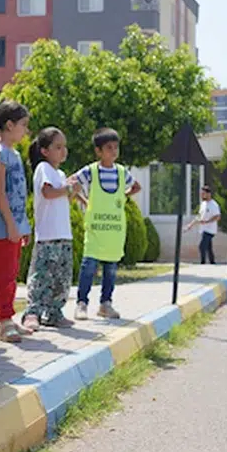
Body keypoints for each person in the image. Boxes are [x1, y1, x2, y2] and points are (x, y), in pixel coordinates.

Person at [72, 128, 141, 321]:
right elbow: (71, 183)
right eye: (109, 147)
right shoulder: (91, 171)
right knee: (88, 267)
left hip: (114, 232)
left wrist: (122, 195)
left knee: (111, 269)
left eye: (116, 147)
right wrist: (84, 200)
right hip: (95, 230)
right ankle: (82, 303)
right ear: (98, 151)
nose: (113, 151)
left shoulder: (122, 172)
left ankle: (105, 304)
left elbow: (136, 186)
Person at [23, 128, 80, 331]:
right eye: (58, 147)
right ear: (45, 151)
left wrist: (72, 190)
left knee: (61, 278)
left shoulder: (60, 174)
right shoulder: (44, 168)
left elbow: (62, 198)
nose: (63, 151)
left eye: (64, 146)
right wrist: (68, 188)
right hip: (47, 235)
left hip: (63, 234)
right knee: (42, 276)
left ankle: (54, 312)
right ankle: (33, 312)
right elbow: (48, 192)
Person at [0, 100, 32, 342]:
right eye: (23, 125)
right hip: (4, 226)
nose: (26, 130)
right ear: (9, 125)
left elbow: (19, 193)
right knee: (5, 274)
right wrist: (10, 224)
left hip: (15, 224)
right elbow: (0, 193)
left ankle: (8, 316)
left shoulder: (15, 154)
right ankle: (3, 320)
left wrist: (22, 225)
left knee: (13, 273)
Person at [184, 185, 221, 265]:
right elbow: (199, 216)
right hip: (203, 229)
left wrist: (207, 221)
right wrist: (190, 225)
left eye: (203, 193)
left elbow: (217, 217)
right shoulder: (203, 204)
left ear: (209, 194)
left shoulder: (214, 204)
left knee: (202, 246)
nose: (202, 195)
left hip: (210, 230)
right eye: (201, 193)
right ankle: (212, 263)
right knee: (208, 248)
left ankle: (202, 263)